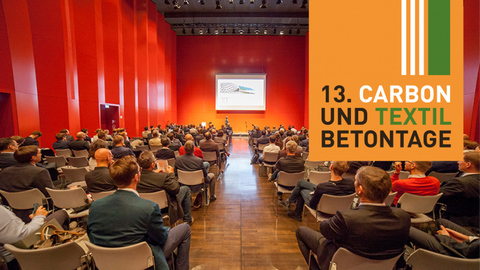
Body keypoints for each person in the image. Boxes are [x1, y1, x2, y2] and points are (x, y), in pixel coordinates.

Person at [296, 166, 411, 270]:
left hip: (341, 263)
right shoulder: (403, 217)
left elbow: (325, 230)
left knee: (301, 232)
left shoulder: (346, 218)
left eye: (355, 181)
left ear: (359, 190)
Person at [87, 156, 191, 270]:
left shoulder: (95, 206)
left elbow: (92, 236)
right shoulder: (149, 208)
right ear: (136, 177)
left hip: (106, 261)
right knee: (185, 229)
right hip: (142, 260)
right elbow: (161, 239)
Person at [0, 205, 69, 270]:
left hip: (9, 252)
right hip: (19, 256)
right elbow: (23, 236)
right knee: (61, 214)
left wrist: (34, 222)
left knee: (60, 226)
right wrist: (39, 217)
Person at [281, 161, 355, 222]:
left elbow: (313, 204)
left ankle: (296, 213)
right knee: (301, 182)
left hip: (322, 208)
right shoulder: (351, 183)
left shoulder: (322, 187)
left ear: (331, 167)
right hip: (341, 208)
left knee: (302, 190)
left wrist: (315, 193)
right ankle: (293, 208)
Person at [137, 152, 193, 226]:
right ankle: (187, 219)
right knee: (185, 189)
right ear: (153, 165)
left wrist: (152, 172)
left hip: (144, 207)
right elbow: (176, 189)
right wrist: (171, 174)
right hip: (166, 207)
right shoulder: (162, 177)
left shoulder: (136, 179)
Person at [438, 151, 480, 228]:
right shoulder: (466, 181)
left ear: (468, 164)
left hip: (455, 222)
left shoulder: (459, 183)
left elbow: (436, 196)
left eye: (460, 160)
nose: (457, 162)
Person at [409, 218, 480, 258]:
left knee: (407, 230)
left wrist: (446, 238)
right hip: (474, 245)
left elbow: (466, 252)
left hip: (464, 256)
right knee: (442, 223)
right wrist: (468, 238)